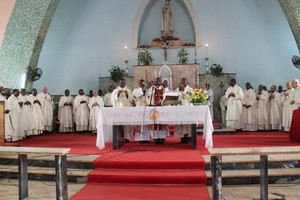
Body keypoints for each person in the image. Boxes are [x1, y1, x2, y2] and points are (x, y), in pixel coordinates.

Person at [146, 77, 168, 144]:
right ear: (155, 81)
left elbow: (166, 96)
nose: (158, 81)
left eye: (159, 80)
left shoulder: (164, 88)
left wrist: (161, 102)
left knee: (162, 123)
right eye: (157, 80)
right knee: (155, 123)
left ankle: (162, 138)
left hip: (162, 108)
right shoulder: (152, 88)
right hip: (154, 108)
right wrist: (148, 87)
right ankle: (156, 138)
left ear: (161, 81)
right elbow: (148, 95)